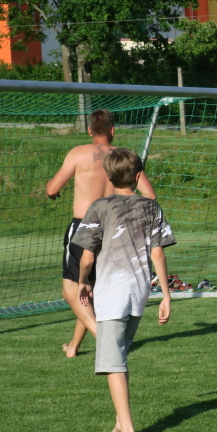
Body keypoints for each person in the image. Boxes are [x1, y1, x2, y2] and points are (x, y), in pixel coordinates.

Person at [71, 148, 175, 432]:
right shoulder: (151, 207)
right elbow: (158, 253)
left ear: (107, 176)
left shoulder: (100, 207)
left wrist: (82, 282)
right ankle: (121, 419)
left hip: (112, 294)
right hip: (138, 292)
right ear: (138, 176)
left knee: (113, 363)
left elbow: (87, 257)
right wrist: (165, 295)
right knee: (119, 356)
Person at [46, 109, 156, 358]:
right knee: (90, 290)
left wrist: (52, 191)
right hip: (115, 228)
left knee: (71, 290)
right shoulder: (123, 158)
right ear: (113, 130)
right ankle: (73, 346)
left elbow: (52, 189)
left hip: (84, 226)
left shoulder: (78, 153)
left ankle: (107, 342)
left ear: (89, 130)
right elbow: (150, 195)